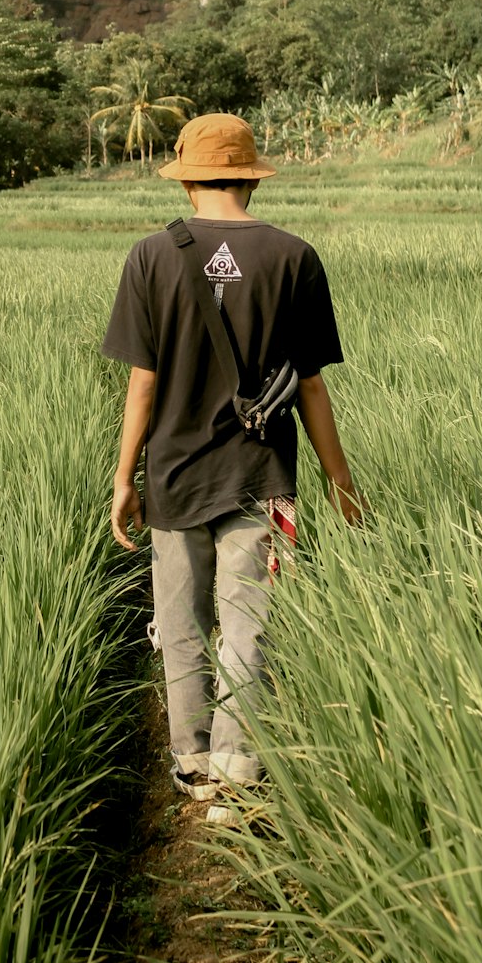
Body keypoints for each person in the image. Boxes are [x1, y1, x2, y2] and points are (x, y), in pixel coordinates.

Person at [101, 112, 359, 824]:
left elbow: (143, 385)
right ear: (250, 174)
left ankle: (192, 766)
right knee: (249, 622)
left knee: (179, 622)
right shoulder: (293, 256)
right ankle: (238, 770)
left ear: (185, 177)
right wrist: (341, 484)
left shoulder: (150, 257)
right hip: (263, 478)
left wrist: (126, 479)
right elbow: (310, 385)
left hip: (175, 476)